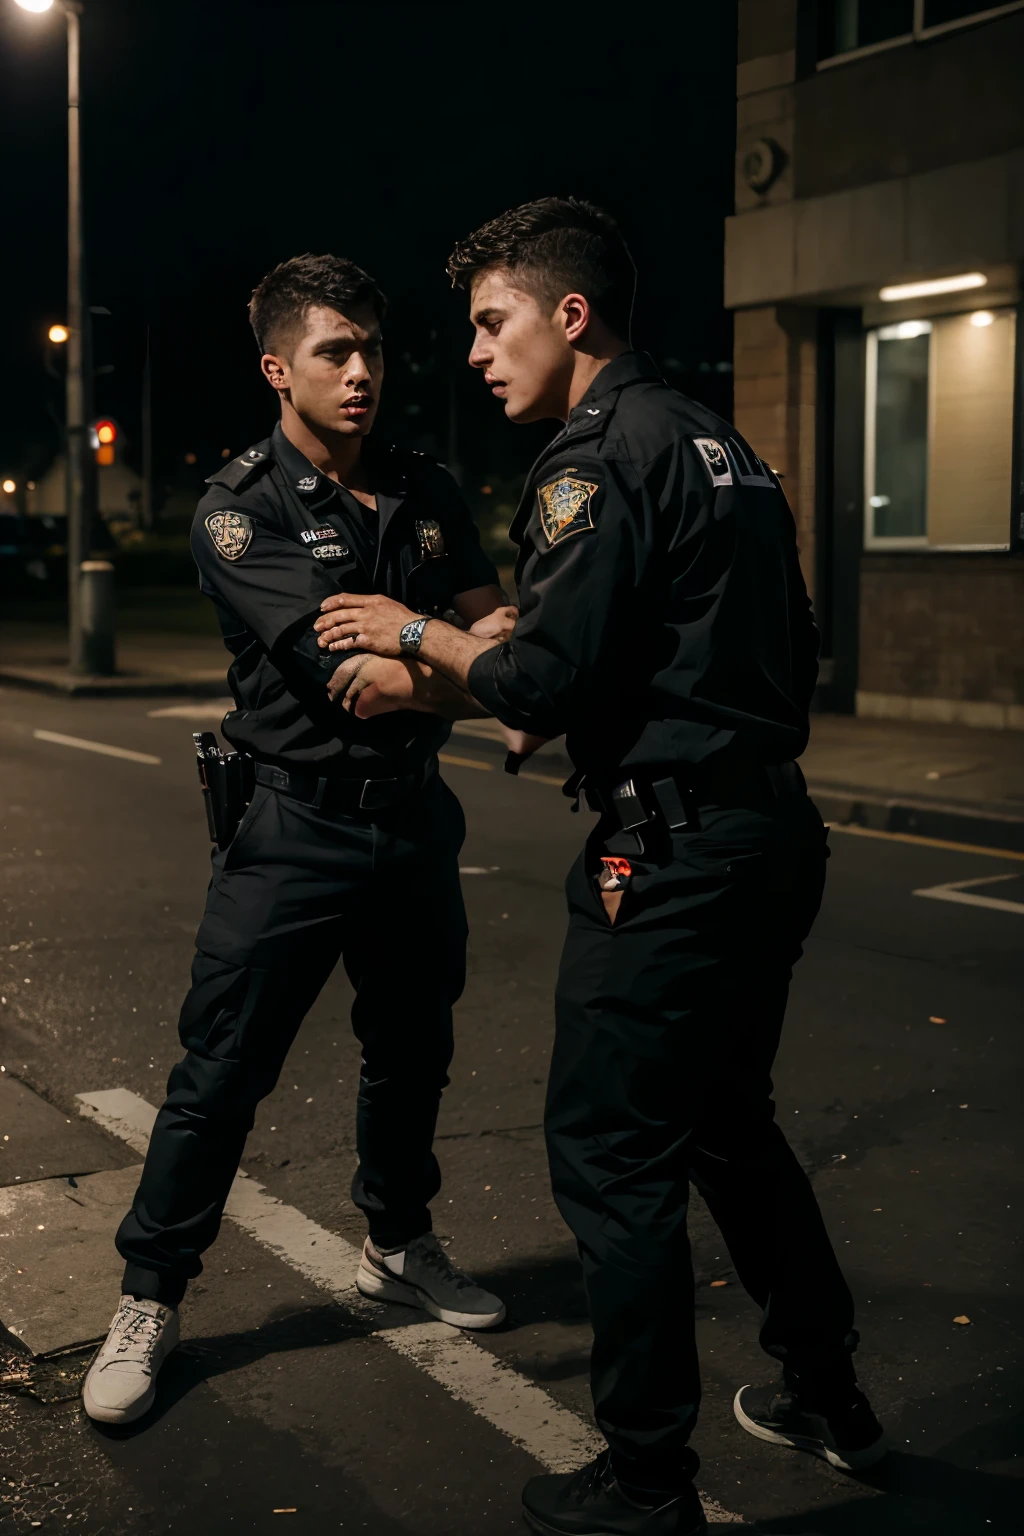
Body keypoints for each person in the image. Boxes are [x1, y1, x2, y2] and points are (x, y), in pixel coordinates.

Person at [315, 200, 886, 1536]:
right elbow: (748, 653)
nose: (472, 351)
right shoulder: (717, 443)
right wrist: (465, 678)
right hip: (768, 832)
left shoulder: (593, 457)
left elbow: (538, 681)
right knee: (728, 1127)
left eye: (490, 321)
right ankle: (828, 1393)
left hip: (670, 853)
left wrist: (416, 635)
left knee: (613, 1158)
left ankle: (646, 1481)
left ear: (572, 317)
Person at [83, 253, 514, 1427]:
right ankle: (150, 1297)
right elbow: (366, 684)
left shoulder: (424, 488)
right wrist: (472, 668)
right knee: (220, 1074)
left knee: (412, 1051)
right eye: (336, 350)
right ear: (279, 367)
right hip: (294, 829)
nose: (364, 370)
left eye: (373, 347)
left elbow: (502, 642)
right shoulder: (241, 508)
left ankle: (398, 1242)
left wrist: (440, 651)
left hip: (416, 825)